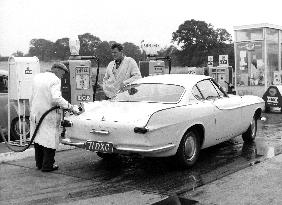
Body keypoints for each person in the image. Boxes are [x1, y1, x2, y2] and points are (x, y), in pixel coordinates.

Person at [30, 63, 79, 172]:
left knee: (38, 139)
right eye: (62, 73)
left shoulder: (38, 77)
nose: (62, 76)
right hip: (48, 115)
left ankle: (39, 164)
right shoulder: (55, 80)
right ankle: (48, 165)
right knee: (50, 139)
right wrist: (71, 107)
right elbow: (56, 98)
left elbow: (32, 96)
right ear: (57, 70)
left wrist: (32, 110)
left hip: (35, 113)